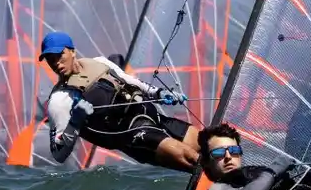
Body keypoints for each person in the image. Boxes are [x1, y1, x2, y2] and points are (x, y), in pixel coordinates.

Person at [40, 31, 200, 171]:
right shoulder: (60, 99)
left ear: (72, 51)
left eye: (59, 55)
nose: (56, 63)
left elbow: (131, 82)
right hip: (134, 136)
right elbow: (58, 154)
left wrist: (160, 93)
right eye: (50, 59)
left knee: (207, 142)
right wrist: (75, 121)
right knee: (193, 159)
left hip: (152, 116)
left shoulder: (99, 62)